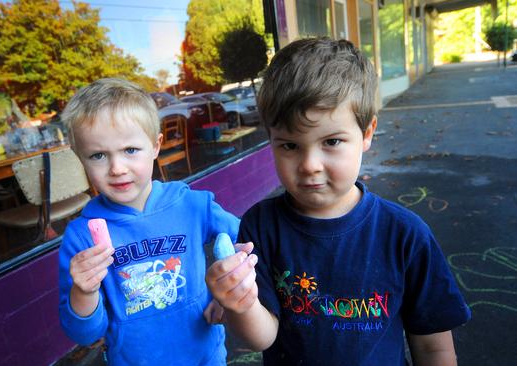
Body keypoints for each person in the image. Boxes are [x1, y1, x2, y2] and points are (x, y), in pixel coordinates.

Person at [205, 38, 471, 365]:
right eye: (289, 146)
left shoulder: (405, 235)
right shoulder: (260, 225)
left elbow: (433, 345)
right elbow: (261, 337)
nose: (309, 164)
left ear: (367, 132)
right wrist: (241, 303)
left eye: (331, 141)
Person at [58, 78, 240, 365]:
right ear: (80, 159)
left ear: (156, 146)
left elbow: (250, 241)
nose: (117, 169)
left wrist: (229, 297)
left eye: (130, 150)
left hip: (206, 355)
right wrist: (83, 291)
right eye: (98, 155)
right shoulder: (81, 238)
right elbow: (84, 334)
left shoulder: (193, 205)